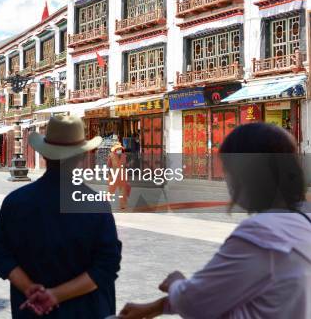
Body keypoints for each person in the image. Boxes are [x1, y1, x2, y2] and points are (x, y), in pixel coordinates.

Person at [119, 123, 311, 319]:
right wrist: (158, 307)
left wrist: (176, 283)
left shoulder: (262, 233)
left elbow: (196, 302)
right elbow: (231, 292)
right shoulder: (302, 222)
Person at [0, 115, 122, 318]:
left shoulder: (15, 202)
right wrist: (54, 296)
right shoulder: (96, 205)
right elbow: (106, 266)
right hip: (86, 311)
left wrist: (29, 288)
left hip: (31, 311)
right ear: (82, 157)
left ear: (44, 156)